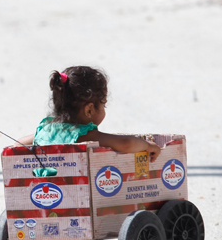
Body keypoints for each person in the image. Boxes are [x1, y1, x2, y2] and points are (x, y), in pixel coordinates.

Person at [19, 66, 160, 174]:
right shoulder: (86, 135)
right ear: (89, 110)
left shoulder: (46, 130)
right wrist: (148, 146)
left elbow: (18, 144)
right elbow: (126, 143)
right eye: (103, 105)